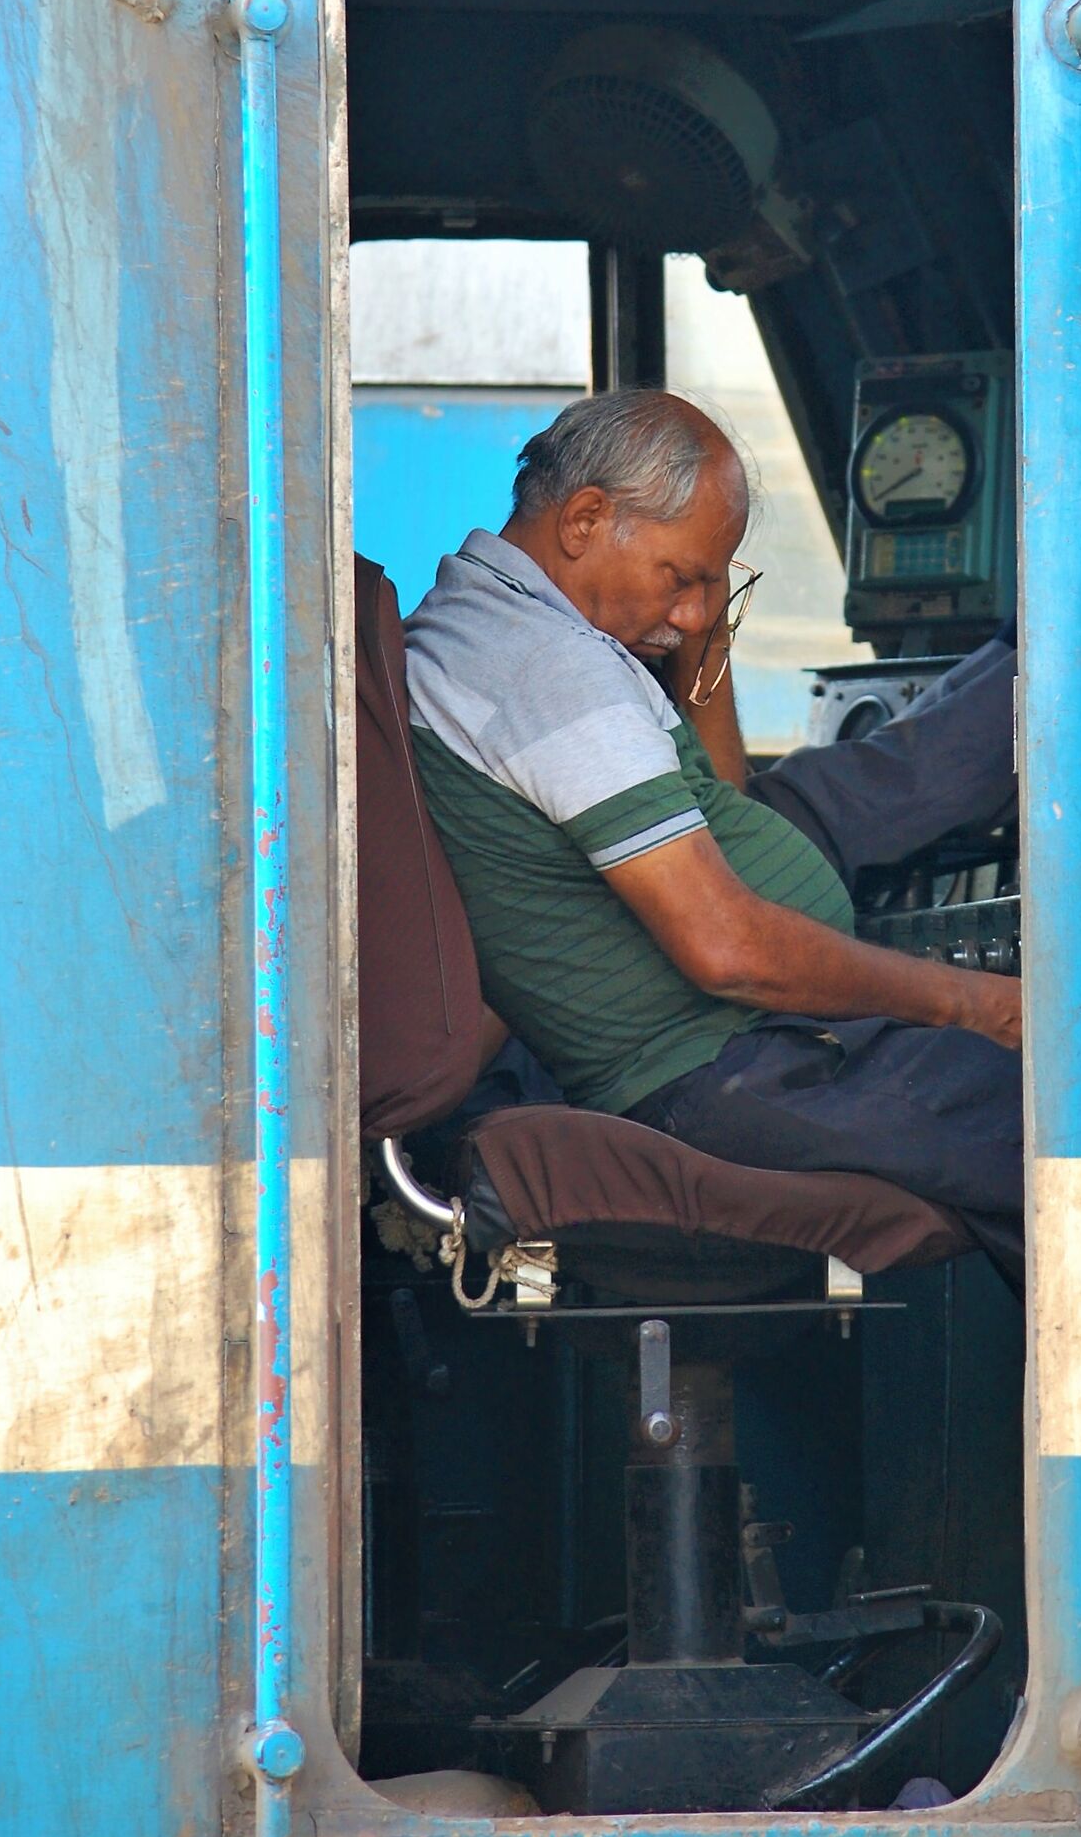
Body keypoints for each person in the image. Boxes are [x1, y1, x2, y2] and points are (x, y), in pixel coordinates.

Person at [404, 390, 1023, 1284]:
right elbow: (728, 950)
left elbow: (724, 815)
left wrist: (701, 637)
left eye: (717, 587)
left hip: (731, 1052)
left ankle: (1046, 653)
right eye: (683, 577)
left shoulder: (501, 616)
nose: (697, 614)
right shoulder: (550, 673)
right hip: (726, 1071)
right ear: (584, 520)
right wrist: (973, 1003)